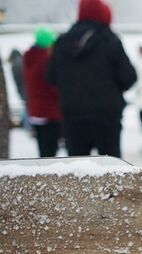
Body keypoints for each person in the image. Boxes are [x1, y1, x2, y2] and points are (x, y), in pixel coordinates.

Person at [45, 0, 136, 158]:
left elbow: (50, 77)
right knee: (111, 171)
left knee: (78, 171)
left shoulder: (62, 43)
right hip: (106, 117)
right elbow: (129, 77)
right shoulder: (110, 41)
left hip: (73, 117)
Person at [22, 28, 62, 157]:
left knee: (43, 148)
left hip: (35, 111)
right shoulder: (46, 60)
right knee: (50, 151)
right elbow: (52, 85)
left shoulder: (28, 58)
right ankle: (48, 175)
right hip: (50, 111)